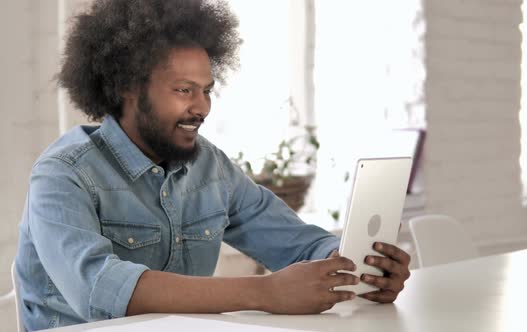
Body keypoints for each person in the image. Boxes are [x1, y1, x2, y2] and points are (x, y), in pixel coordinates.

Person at [14, 0, 411, 330]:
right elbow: (99, 290)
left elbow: (298, 243)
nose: (201, 107)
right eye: (183, 90)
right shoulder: (64, 174)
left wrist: (359, 266)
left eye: (206, 91)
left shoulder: (211, 167)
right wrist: (265, 293)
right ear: (128, 88)